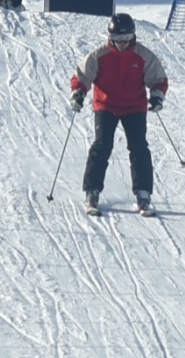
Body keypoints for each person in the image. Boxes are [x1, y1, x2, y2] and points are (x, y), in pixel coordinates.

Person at [68, 13, 168, 216]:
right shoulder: (100, 55)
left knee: (139, 147)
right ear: (110, 37)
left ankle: (143, 194)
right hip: (106, 104)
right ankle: (92, 192)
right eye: (117, 38)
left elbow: (158, 78)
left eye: (126, 38)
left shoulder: (142, 55)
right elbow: (82, 74)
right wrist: (79, 92)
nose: (122, 43)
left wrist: (157, 96)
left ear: (133, 36)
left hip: (134, 106)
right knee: (102, 145)